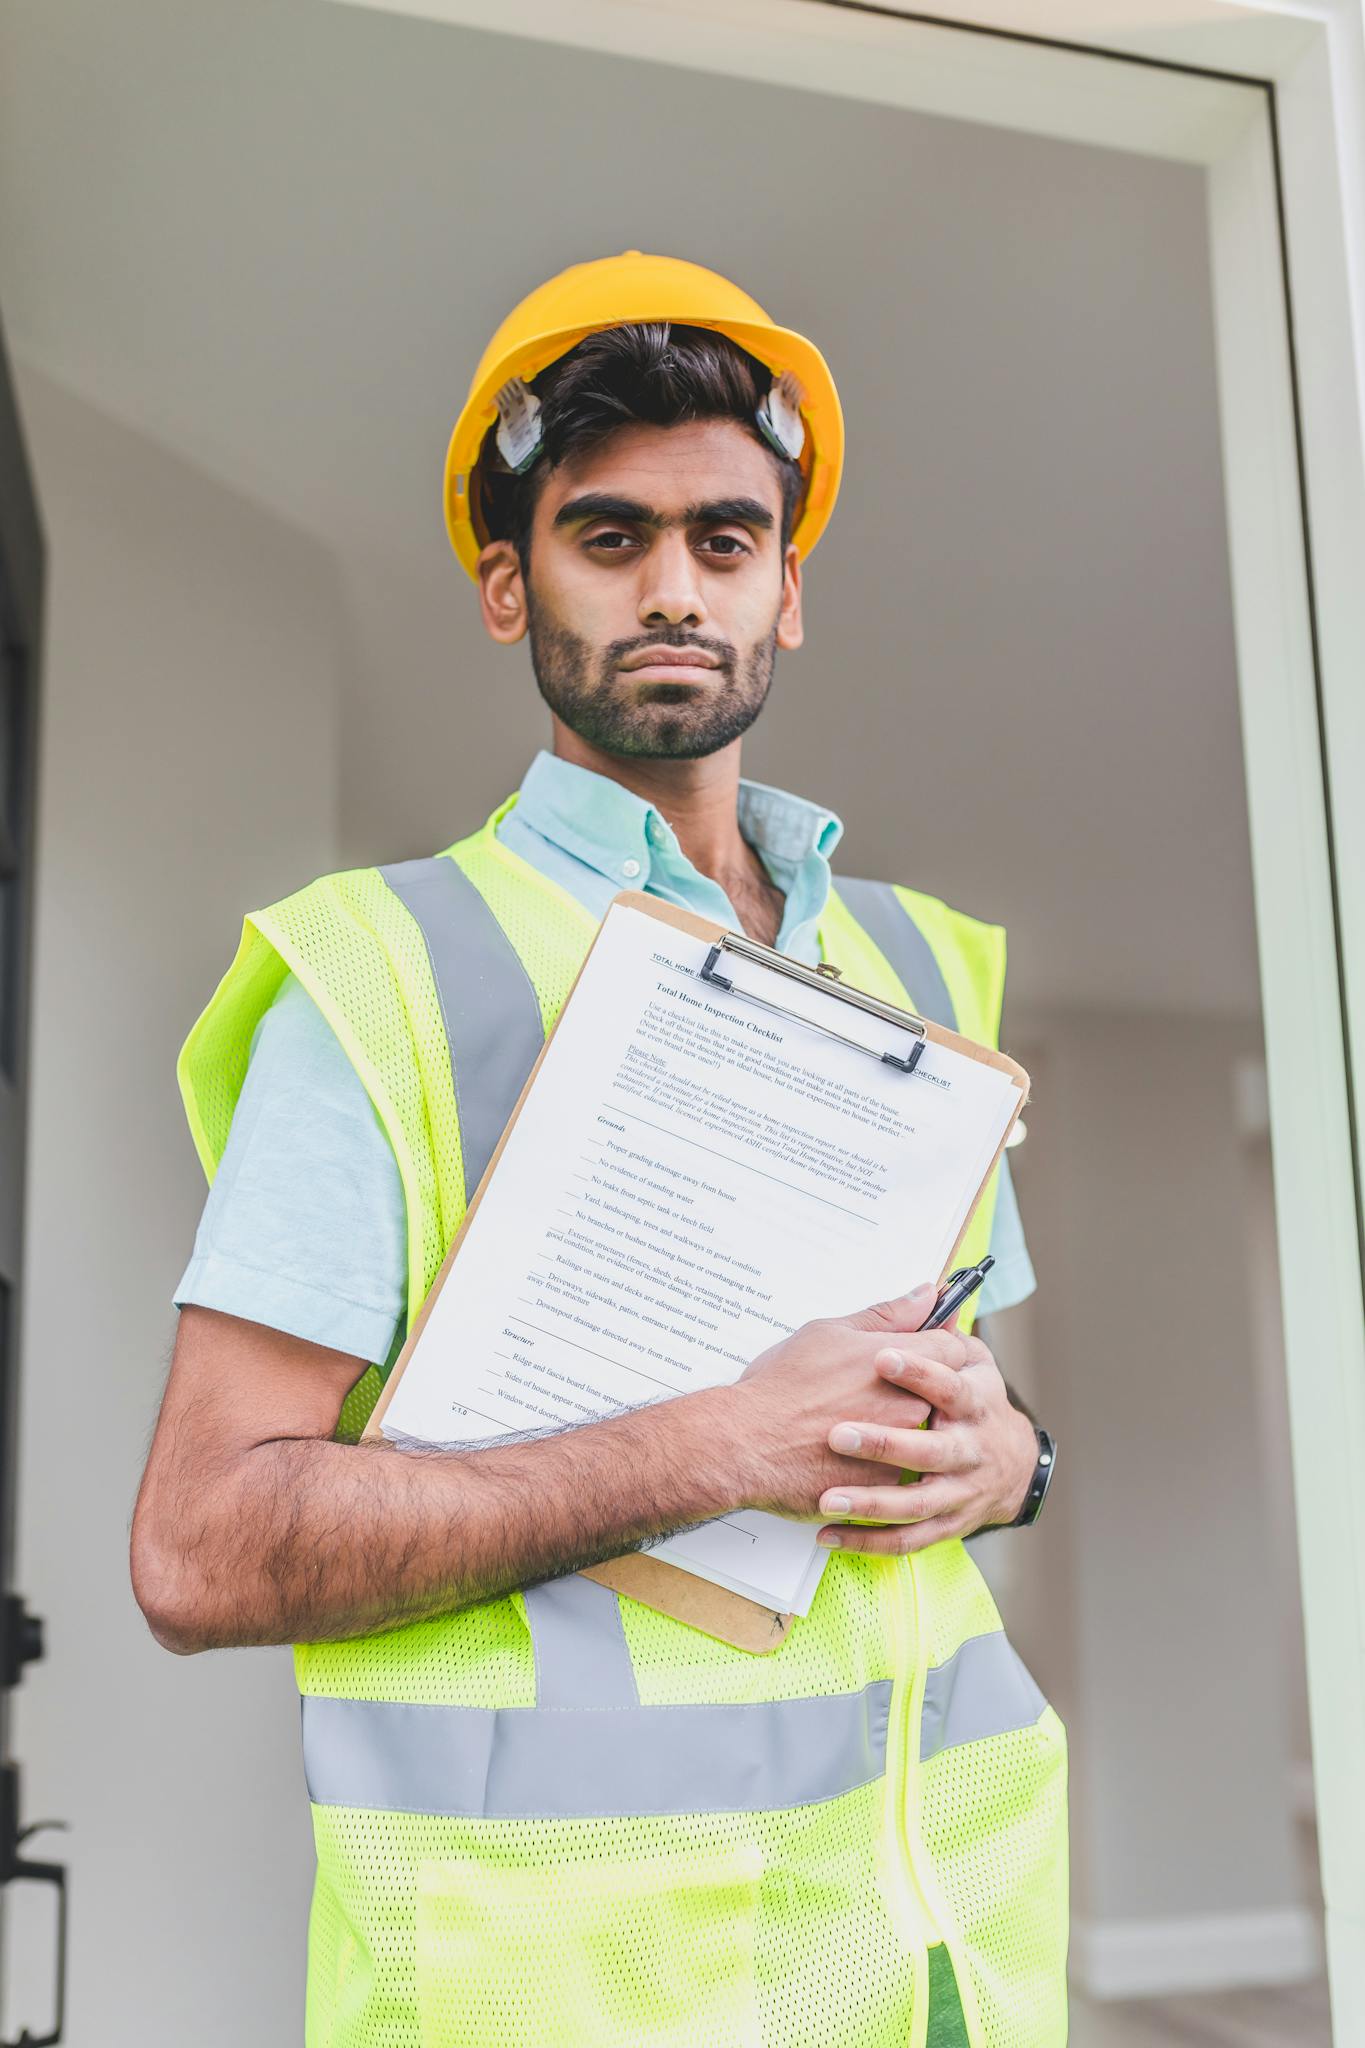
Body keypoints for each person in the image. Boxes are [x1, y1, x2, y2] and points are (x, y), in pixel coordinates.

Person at [132, 252, 1066, 2048]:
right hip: (567, 1985)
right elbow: (200, 1552)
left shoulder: (918, 966)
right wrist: (724, 1442)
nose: (673, 588)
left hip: (939, 1940)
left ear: (788, 594)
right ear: (509, 583)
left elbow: (959, 1406)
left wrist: (1007, 1460)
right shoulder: (383, 970)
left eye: (726, 542)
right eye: (607, 534)